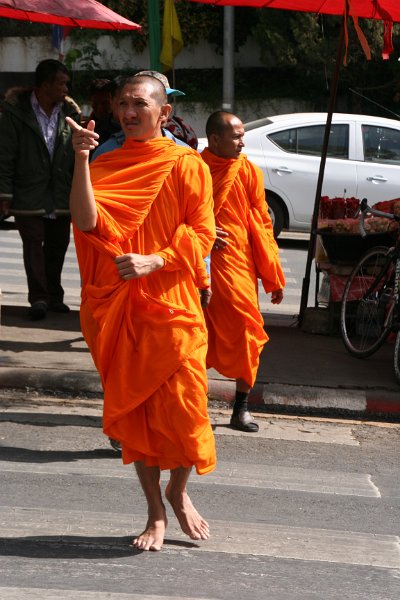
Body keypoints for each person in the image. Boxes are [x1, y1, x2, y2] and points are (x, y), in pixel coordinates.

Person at [66, 74, 216, 551]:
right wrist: (81, 158)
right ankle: (155, 512)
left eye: (140, 104)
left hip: (173, 305)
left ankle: (178, 490)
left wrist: (158, 260)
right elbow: (88, 223)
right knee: (140, 416)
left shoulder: (188, 165)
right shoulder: (107, 164)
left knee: (189, 410)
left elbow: (202, 232)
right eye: (122, 105)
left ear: (163, 113)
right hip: (122, 307)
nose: (129, 112)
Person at [201, 110, 286, 433]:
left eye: (241, 135)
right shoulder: (195, 168)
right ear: (215, 139)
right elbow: (176, 212)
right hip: (200, 265)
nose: (242, 142)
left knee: (248, 332)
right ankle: (193, 406)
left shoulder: (247, 171)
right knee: (195, 337)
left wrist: (272, 272)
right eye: (235, 136)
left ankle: (241, 408)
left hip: (238, 264)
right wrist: (205, 230)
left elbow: (262, 222)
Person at [0, 59, 81, 320]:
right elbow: (5, 155)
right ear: (45, 85)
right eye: (61, 83)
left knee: (58, 246)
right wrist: (5, 193)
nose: (66, 88)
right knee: (33, 245)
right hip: (27, 193)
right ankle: (39, 298)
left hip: (61, 193)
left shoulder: (70, 113)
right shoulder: (14, 112)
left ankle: (54, 296)